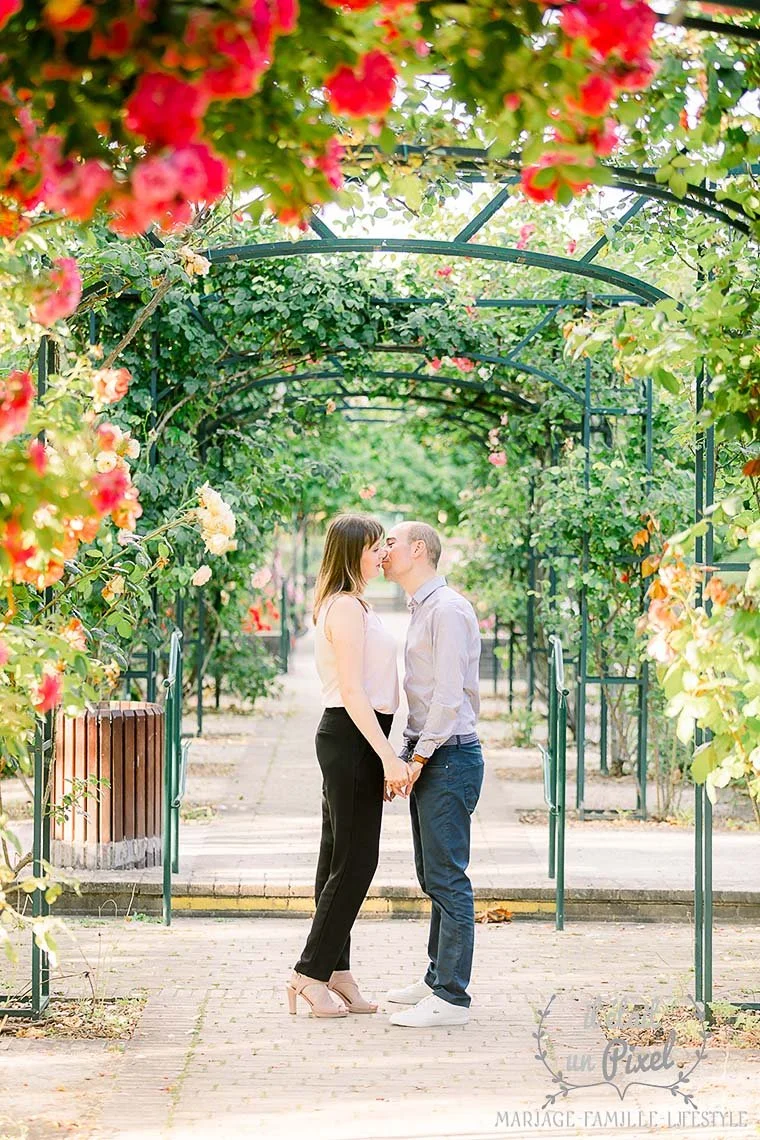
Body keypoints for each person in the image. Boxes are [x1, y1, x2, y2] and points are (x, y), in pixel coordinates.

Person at [287, 513, 410, 1018]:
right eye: (376, 547)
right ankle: (308, 973)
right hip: (352, 736)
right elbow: (354, 692)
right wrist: (387, 756)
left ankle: (336, 971)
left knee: (338, 857)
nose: (383, 554)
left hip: (356, 737)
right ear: (354, 551)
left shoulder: (357, 605)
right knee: (357, 861)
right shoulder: (343, 608)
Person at [382, 521, 484, 1027]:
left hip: (451, 756)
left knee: (448, 879)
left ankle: (451, 997)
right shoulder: (423, 609)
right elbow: (423, 703)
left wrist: (416, 761)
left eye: (391, 543)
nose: (382, 551)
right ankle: (434, 978)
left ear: (418, 549)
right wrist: (405, 756)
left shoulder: (448, 610)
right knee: (431, 876)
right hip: (434, 754)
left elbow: (446, 699)